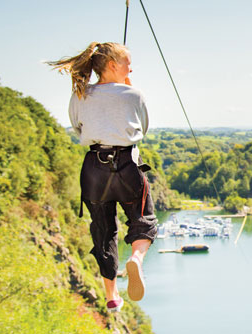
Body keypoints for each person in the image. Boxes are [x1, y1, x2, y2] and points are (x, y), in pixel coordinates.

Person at [48, 42, 157, 312]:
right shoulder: (134, 94)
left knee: (103, 230)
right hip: (127, 166)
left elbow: (77, 126)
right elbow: (142, 126)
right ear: (112, 65)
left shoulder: (80, 94)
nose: (131, 68)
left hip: (94, 169)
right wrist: (128, 88)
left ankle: (111, 296)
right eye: (127, 63)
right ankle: (136, 260)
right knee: (143, 220)